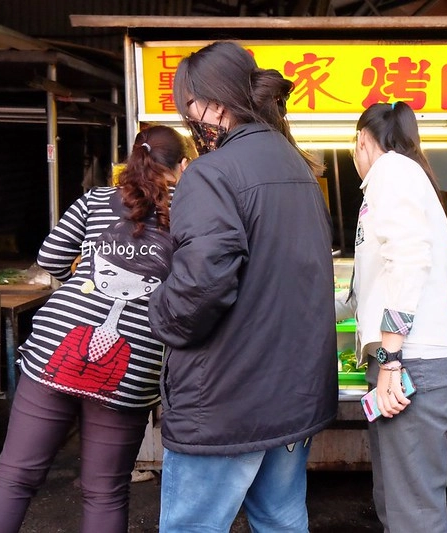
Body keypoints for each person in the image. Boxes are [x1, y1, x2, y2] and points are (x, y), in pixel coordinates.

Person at [146, 41, 338, 533]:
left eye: (189, 105)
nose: (189, 117)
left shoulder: (212, 172)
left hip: (226, 400)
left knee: (194, 525)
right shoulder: (298, 167)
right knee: (281, 520)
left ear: (215, 102)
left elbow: (200, 285)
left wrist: (159, 311)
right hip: (292, 395)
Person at [0, 125, 194, 533]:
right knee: (106, 491)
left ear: (134, 159)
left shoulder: (95, 199)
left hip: (58, 343)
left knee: (14, 476)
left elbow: (51, 258)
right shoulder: (193, 213)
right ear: (183, 166)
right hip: (135, 358)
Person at [336, 101, 447, 533]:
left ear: (362, 141)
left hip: (411, 365)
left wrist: (390, 358)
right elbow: (373, 284)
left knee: (414, 515)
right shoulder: (399, 178)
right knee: (399, 504)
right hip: (409, 363)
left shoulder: (392, 172)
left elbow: (408, 262)